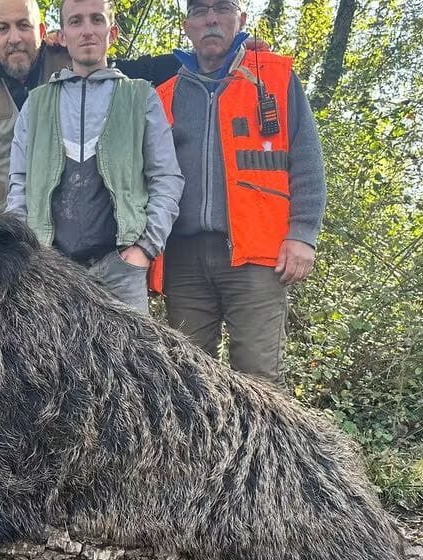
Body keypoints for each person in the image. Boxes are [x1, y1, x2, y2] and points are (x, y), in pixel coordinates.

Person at [154, 0, 326, 384]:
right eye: (200, 11)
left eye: (222, 8)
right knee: (186, 382)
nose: (211, 18)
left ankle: (274, 447)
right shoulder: (164, 95)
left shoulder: (275, 77)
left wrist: (303, 235)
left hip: (256, 256)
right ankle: (199, 448)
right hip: (183, 260)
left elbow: (307, 158)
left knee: (260, 378)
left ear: (241, 19)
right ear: (187, 26)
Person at [6, 0, 183, 313]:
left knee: (131, 362)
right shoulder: (36, 104)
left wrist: (144, 248)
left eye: (96, 20)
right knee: (51, 362)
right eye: (76, 21)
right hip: (51, 271)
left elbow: (166, 178)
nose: (87, 31)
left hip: (121, 271)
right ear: (61, 36)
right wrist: (29, 254)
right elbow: (18, 185)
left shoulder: (140, 97)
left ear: (111, 32)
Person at [0, 0, 181, 212]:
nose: (14, 38)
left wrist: (204, 58)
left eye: (23, 25)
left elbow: (142, 72)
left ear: (42, 31)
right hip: (4, 240)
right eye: (2, 29)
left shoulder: (76, 63)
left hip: (68, 237)